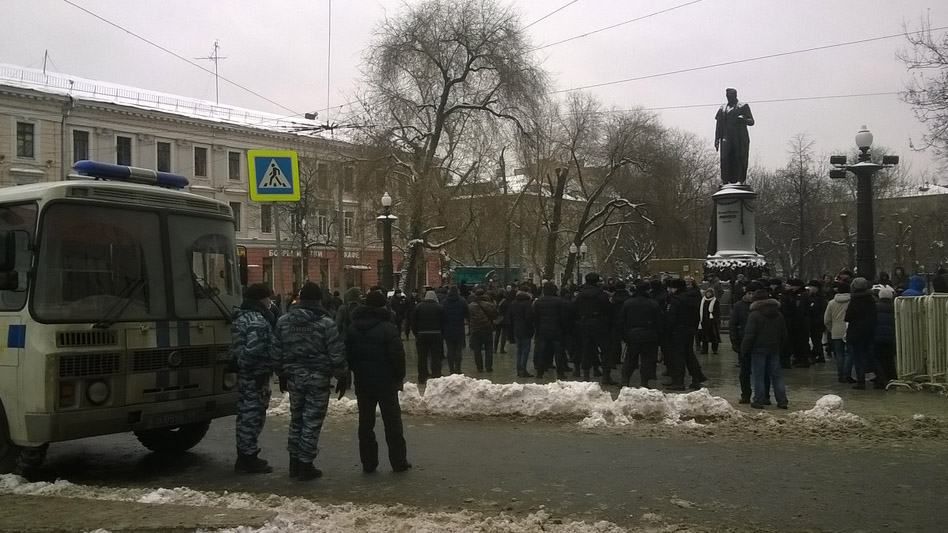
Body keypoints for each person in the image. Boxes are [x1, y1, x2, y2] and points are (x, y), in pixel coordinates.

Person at [273, 282, 346, 481]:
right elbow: (336, 353)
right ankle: (306, 464)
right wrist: (342, 375)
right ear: (318, 300)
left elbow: (276, 351)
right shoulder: (325, 323)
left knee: (296, 419)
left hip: (294, 378)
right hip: (318, 378)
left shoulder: (284, 322)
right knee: (312, 421)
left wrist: (281, 373)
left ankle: (294, 462)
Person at [346, 289, 411, 473]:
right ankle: (398, 462)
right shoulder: (388, 328)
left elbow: (348, 355)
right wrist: (399, 377)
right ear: (383, 306)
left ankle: (368, 462)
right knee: (392, 423)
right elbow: (397, 356)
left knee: (365, 424)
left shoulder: (353, 328)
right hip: (386, 382)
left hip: (363, 382)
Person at [231, 283, 278, 474]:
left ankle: (246, 454)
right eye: (269, 297)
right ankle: (247, 458)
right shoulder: (257, 321)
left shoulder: (241, 317)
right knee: (252, 415)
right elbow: (254, 349)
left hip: (246, 375)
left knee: (245, 414)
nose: (271, 302)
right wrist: (258, 369)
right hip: (255, 375)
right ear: (261, 299)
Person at [741, 289, 789, 409]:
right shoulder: (779, 314)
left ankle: (758, 399)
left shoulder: (754, 315)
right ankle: (782, 400)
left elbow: (749, 335)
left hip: (758, 349)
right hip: (774, 348)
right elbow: (784, 334)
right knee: (777, 376)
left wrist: (744, 350)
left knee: (758, 376)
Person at [664, 278, 706, 390]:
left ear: (676, 288)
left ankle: (678, 382)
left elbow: (671, 318)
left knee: (678, 356)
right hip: (689, 330)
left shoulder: (676, 300)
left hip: (677, 331)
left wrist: (667, 330)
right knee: (689, 355)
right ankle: (697, 378)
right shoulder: (692, 298)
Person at [575, 273, 614, 384]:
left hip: (584, 323)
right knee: (605, 350)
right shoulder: (602, 294)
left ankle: (586, 376)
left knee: (586, 349)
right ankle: (606, 376)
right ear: (597, 282)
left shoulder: (580, 295)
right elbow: (608, 309)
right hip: (600, 324)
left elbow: (574, 308)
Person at [620, 282, 661, 388]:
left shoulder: (628, 303)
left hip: (633, 335)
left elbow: (622, 320)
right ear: (648, 290)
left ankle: (625, 381)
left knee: (630, 358)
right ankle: (644, 382)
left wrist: (625, 335)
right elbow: (659, 321)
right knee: (647, 360)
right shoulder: (653, 303)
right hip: (649, 335)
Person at [714, 87, 755, 184]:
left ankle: (739, 180)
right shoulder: (722, 108)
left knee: (739, 157)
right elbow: (718, 125)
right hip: (726, 138)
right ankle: (726, 181)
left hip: (739, 138)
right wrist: (716, 139)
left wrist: (744, 119)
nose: (728, 98)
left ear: (735, 96)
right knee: (725, 159)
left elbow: (752, 121)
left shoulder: (743, 106)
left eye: (731, 96)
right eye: (727, 96)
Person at [845, 277, 877, 390]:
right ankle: (880, 378)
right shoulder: (871, 299)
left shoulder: (854, 300)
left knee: (858, 357)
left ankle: (861, 380)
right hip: (869, 331)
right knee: (871, 355)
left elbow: (847, 317)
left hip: (856, 332)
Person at [532, 282, 568, 380]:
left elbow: (535, 318)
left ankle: (540, 372)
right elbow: (563, 317)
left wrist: (537, 329)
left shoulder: (538, 302)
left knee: (542, 352)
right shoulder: (559, 301)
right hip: (557, 330)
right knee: (558, 353)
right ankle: (560, 373)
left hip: (543, 330)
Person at [412, 291, 444, 384]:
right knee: (435, 357)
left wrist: (416, 334)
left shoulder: (418, 307)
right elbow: (444, 321)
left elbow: (413, 321)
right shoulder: (439, 307)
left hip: (422, 335)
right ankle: (436, 375)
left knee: (422, 357)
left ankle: (422, 376)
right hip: (436, 334)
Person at [729, 285, 754, 403]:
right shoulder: (738, 306)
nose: (751, 296)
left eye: (753, 293)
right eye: (749, 293)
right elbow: (733, 324)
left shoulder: (760, 306)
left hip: (757, 343)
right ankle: (746, 395)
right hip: (743, 342)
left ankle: (763, 395)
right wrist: (734, 341)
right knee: (744, 372)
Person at [824, 282, 853, 383]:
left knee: (839, 354)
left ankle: (841, 376)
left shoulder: (831, 303)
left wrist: (831, 329)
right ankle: (847, 375)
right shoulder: (852, 301)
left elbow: (826, 320)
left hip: (836, 331)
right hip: (849, 330)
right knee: (849, 354)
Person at [468, 288, 498, 373]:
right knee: (489, 348)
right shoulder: (489, 304)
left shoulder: (470, 306)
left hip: (475, 330)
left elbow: (468, 317)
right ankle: (489, 367)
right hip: (487, 329)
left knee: (477, 350)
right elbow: (495, 315)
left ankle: (479, 367)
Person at [508, 285, 535, 377]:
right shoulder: (527, 303)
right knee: (525, 350)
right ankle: (523, 370)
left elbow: (510, 317)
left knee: (519, 350)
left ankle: (519, 369)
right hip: (526, 330)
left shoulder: (513, 303)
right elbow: (529, 318)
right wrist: (531, 328)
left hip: (516, 329)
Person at [441, 286, 469, 374]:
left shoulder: (444, 302)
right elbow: (467, 314)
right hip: (459, 329)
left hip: (448, 329)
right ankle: (458, 368)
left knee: (450, 350)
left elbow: (441, 315)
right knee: (458, 350)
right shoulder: (462, 301)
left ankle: (451, 369)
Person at [874, 287, 897, 389]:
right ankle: (893, 378)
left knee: (878, 359)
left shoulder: (875, 307)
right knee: (889, 359)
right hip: (891, 337)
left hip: (877, 337)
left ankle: (881, 380)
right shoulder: (895, 307)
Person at [806, 280, 827, 363]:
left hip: (817, 322)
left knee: (817, 340)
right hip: (814, 322)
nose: (810, 289)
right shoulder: (813, 297)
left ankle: (819, 355)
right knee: (816, 340)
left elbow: (819, 310)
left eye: (811, 287)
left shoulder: (819, 298)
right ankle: (818, 354)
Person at [697, 288, 721, 354]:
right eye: (707, 292)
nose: (708, 294)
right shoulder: (703, 300)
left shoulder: (715, 301)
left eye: (710, 293)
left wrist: (715, 319)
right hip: (704, 321)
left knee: (714, 337)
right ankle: (705, 350)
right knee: (704, 337)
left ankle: (714, 350)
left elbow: (717, 312)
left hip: (712, 322)